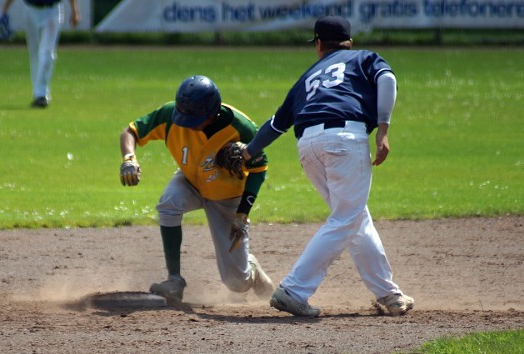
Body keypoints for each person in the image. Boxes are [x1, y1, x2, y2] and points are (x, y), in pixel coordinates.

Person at [239, 16, 414, 317]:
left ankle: (389, 294)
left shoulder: (308, 76)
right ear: (350, 43)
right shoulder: (364, 57)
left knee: (355, 217)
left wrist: (248, 150)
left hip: (308, 146)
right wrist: (383, 129)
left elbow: (277, 124)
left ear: (319, 44)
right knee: (346, 217)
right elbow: (387, 79)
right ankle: (294, 289)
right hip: (344, 140)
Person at [119, 75, 274, 305]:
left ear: (212, 113)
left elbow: (259, 169)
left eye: (193, 119)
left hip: (227, 197)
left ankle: (251, 268)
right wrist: (129, 158)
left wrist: (243, 212)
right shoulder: (170, 116)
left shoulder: (241, 128)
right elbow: (130, 132)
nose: (186, 124)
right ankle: (174, 280)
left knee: (237, 283)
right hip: (190, 180)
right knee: (169, 202)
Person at [0, 0, 80, 108]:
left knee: (47, 52)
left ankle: (41, 94)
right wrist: (3, 11)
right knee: (34, 54)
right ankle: (38, 92)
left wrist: (75, 11)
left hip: (52, 10)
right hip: (30, 9)